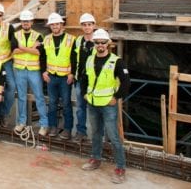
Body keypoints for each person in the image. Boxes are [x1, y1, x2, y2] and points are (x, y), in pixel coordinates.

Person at [81, 29, 130, 184]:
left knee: (114, 137)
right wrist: (84, 94)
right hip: (93, 103)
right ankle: (95, 159)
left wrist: (116, 97)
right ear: (94, 44)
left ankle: (120, 168)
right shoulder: (90, 59)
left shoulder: (116, 61)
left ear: (108, 43)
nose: (100, 45)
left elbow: (126, 82)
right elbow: (83, 78)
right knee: (95, 134)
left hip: (108, 105)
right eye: (97, 43)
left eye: (103, 42)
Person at [12, 10, 49, 137]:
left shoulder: (38, 35)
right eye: (23, 21)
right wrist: (30, 49)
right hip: (20, 70)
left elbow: (38, 53)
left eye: (27, 21)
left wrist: (21, 48)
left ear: (31, 22)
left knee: (39, 97)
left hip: (34, 71)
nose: (25, 23)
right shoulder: (16, 35)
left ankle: (44, 124)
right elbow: (13, 51)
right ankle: (21, 122)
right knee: (21, 97)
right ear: (21, 22)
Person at [42, 12, 76, 140]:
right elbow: (43, 56)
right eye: (52, 24)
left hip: (65, 77)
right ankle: (53, 127)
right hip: (51, 76)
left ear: (61, 25)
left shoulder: (71, 39)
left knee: (66, 103)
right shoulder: (47, 39)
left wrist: (72, 73)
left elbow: (74, 57)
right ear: (50, 26)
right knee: (52, 103)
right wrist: (44, 71)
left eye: (57, 24)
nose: (55, 26)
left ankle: (67, 129)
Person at [73, 13, 97, 142]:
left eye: (89, 24)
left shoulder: (99, 41)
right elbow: (74, 59)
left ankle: (96, 135)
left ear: (94, 25)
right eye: (84, 25)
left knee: (94, 109)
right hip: (80, 80)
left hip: (94, 82)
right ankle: (81, 132)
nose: (87, 27)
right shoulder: (78, 41)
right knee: (80, 108)